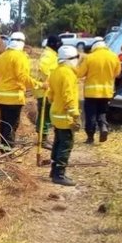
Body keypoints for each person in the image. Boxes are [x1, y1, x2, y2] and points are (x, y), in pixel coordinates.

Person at [0, 31, 47, 153]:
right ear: (22, 43)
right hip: (14, 98)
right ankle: (8, 151)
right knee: (12, 125)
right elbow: (23, 78)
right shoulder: (20, 57)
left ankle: (3, 148)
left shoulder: (2, 57)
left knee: (4, 123)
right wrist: (40, 85)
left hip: (2, 97)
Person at [76, 37, 122, 143]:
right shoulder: (114, 56)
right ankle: (103, 127)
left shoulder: (89, 57)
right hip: (107, 92)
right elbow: (118, 73)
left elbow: (79, 74)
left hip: (91, 93)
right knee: (102, 112)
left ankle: (90, 137)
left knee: (90, 114)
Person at [48, 45, 81, 186]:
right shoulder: (67, 73)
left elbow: (50, 94)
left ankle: (54, 170)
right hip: (64, 115)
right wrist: (74, 113)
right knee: (66, 144)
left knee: (58, 142)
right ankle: (59, 175)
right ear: (70, 59)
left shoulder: (56, 71)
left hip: (55, 112)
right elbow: (69, 96)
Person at [34, 35, 63, 150]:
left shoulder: (52, 54)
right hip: (44, 91)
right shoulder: (48, 55)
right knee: (44, 116)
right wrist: (50, 79)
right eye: (59, 44)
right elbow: (43, 67)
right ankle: (43, 140)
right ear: (53, 44)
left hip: (48, 90)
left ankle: (44, 138)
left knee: (46, 116)